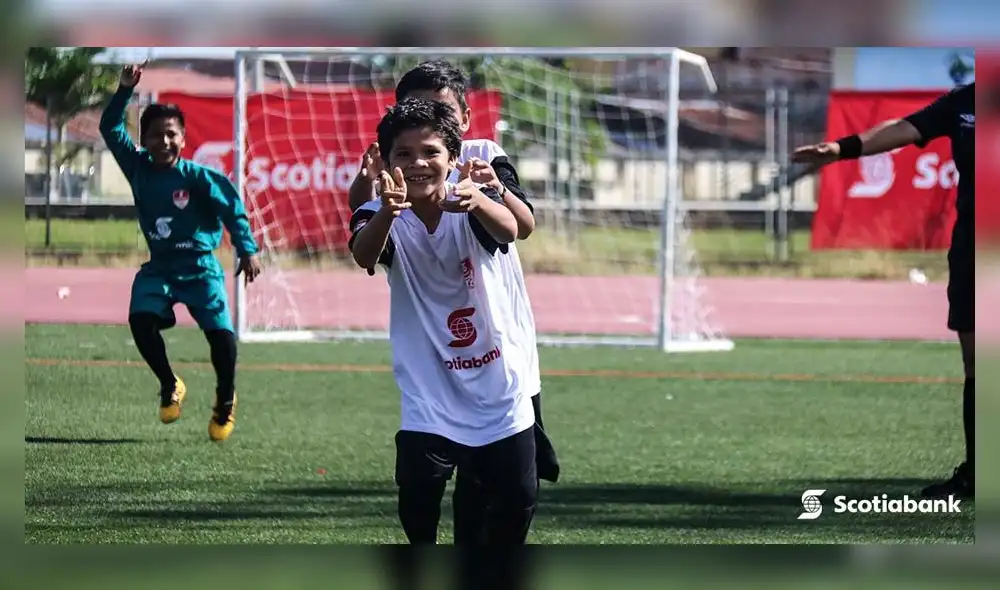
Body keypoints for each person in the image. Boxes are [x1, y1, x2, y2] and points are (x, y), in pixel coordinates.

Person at [349, 60, 559, 544]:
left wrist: (484, 196)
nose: (418, 161)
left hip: (500, 370)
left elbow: (514, 228)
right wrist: (384, 208)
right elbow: (364, 251)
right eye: (405, 152)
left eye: (431, 150)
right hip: (431, 381)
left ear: (456, 143)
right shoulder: (383, 205)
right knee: (419, 496)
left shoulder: (478, 177)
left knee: (511, 495)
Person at [792, 82, 974, 499]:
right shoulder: (966, 100)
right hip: (974, 248)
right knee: (977, 363)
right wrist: (843, 149)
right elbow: (906, 127)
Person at [99, 62, 262, 442]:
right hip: (160, 268)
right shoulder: (138, 168)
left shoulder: (200, 178)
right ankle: (170, 383)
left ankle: (225, 400)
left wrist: (247, 249)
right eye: (155, 135)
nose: (164, 142)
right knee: (140, 320)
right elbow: (109, 128)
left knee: (222, 339)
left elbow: (232, 209)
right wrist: (124, 89)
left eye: (171, 134)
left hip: (201, 268)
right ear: (144, 140)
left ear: (183, 139)